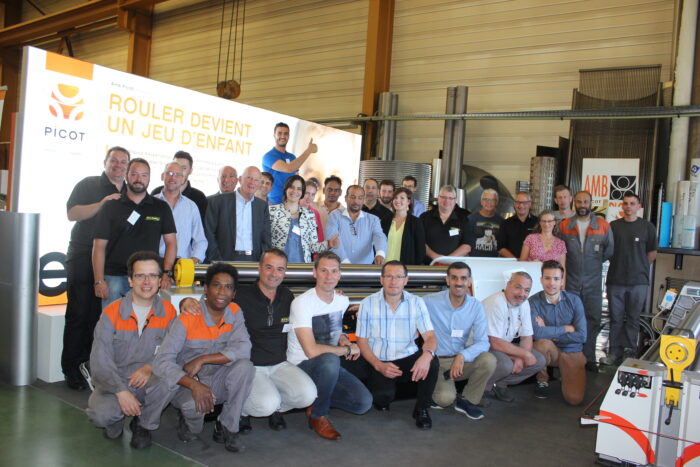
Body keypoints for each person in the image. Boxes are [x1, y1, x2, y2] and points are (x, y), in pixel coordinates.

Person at [145, 263, 255, 453]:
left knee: (245, 366)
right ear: (205, 288)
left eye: (228, 287)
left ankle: (228, 426)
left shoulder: (235, 312)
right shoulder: (188, 317)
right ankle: (151, 424)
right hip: (187, 384)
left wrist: (203, 359)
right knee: (193, 414)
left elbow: (244, 348)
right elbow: (162, 362)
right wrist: (194, 385)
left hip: (217, 379)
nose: (222, 292)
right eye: (216, 285)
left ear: (234, 293)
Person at [86, 251, 178, 446]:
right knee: (101, 415)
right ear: (130, 280)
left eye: (152, 275)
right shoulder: (111, 312)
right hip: (115, 381)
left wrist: (150, 367)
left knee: (171, 379)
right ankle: (115, 422)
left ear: (160, 280)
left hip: (149, 379)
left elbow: (171, 352)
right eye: (140, 275)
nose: (146, 281)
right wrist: (121, 391)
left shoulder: (169, 312)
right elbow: (100, 360)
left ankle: (144, 424)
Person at [62, 146, 129, 391]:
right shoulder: (88, 184)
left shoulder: (129, 192)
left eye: (123, 162)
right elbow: (72, 213)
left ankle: (93, 366)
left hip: (112, 263)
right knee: (79, 313)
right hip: (82, 257)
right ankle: (71, 369)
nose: (118, 165)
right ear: (105, 162)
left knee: (100, 318)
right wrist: (102, 204)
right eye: (114, 160)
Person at [287, 251, 372, 440]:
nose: (329, 276)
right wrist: (347, 349)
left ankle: (315, 401)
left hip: (328, 366)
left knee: (363, 403)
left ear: (339, 274)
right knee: (331, 360)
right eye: (323, 270)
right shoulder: (301, 303)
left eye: (334, 271)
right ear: (314, 273)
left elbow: (334, 330)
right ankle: (319, 415)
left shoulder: (342, 300)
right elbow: (311, 351)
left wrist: (343, 339)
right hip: (302, 364)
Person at [235, 249, 317, 432]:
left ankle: (275, 407)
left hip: (279, 363)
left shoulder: (287, 296)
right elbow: (213, 306)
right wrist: (188, 302)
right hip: (251, 365)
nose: (274, 274)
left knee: (308, 395)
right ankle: (241, 411)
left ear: (285, 272)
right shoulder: (240, 296)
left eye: (280, 269)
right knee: (265, 404)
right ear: (259, 268)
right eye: (269, 267)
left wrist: (335, 297)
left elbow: (313, 308)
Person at [355, 261, 440, 429]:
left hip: (407, 357)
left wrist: (426, 355)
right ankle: (385, 395)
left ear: (406, 280)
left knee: (432, 362)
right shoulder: (367, 304)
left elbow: (430, 336)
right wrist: (378, 365)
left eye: (399, 277)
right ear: (381, 279)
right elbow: (361, 342)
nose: (393, 281)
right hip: (380, 360)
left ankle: (422, 408)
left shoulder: (416, 302)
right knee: (382, 398)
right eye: (389, 276)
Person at [92, 157, 176, 308]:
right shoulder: (110, 206)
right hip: (115, 277)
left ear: (149, 178)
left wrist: (166, 273)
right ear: (126, 175)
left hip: (148, 278)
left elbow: (171, 243)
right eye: (134, 174)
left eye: (144, 175)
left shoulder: (161, 207)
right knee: (113, 321)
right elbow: (99, 246)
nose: (139, 179)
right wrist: (99, 280)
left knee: (145, 321)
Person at [423, 262, 496, 420]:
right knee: (444, 400)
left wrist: (462, 355)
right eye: (454, 278)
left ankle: (467, 401)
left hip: (460, 361)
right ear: (447, 280)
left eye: (463, 278)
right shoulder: (429, 301)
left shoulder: (476, 306)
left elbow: (483, 342)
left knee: (488, 360)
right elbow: (407, 306)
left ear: (469, 281)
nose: (459, 282)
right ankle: (442, 390)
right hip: (437, 362)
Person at [558, 191, 614, 372]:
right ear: (574, 203)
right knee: (569, 318)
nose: (582, 205)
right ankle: (570, 357)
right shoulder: (565, 225)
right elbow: (559, 250)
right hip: (571, 281)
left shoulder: (603, 226)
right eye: (579, 201)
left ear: (591, 203)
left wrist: (593, 264)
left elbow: (609, 251)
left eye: (585, 201)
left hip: (593, 282)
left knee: (592, 319)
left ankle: (589, 358)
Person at [601, 193, 657, 366]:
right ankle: (613, 353)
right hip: (615, 281)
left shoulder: (647, 227)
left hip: (638, 282)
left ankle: (629, 354)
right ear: (622, 206)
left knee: (633, 319)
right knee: (616, 319)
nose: (628, 206)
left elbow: (652, 253)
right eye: (625, 203)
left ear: (639, 206)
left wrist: (638, 266)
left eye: (632, 203)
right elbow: (607, 250)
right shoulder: (613, 226)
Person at [529, 260, 587, 405]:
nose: (551, 283)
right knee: (540, 344)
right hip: (551, 350)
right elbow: (537, 333)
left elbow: (582, 336)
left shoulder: (574, 301)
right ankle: (542, 380)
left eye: (556, 279)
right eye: (547, 278)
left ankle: (566, 374)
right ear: (541, 280)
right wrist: (566, 328)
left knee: (574, 399)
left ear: (562, 281)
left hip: (572, 351)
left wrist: (551, 334)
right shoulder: (533, 302)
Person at [482, 272, 546, 402]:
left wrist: (521, 357)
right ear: (508, 285)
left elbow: (526, 337)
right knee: (506, 364)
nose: (522, 294)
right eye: (518, 287)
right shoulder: (496, 302)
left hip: (502, 346)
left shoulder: (524, 303)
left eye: (526, 290)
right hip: (483, 346)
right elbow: (494, 342)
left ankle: (500, 384)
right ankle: (480, 389)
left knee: (539, 360)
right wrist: (523, 355)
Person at [204, 166, 272, 261]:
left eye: (256, 180)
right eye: (249, 178)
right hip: (224, 259)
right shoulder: (218, 201)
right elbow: (209, 233)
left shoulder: (261, 206)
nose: (252, 182)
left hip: (253, 260)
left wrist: (262, 259)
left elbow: (266, 237)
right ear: (240, 180)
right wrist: (217, 259)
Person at [269, 175, 337, 263]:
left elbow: (313, 246)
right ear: (286, 189)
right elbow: (266, 242)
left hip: (302, 266)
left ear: (302, 192)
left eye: (299, 189)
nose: (295, 191)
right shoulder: (272, 211)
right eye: (292, 187)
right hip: (277, 265)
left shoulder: (309, 215)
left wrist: (328, 244)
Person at [155, 162, 207, 264]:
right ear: (162, 176)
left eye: (177, 174)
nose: (173, 177)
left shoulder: (191, 206)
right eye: (169, 173)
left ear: (183, 179)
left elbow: (200, 240)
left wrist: (193, 262)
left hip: (183, 264)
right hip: (155, 263)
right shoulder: (152, 203)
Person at [325, 185, 387, 265]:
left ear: (363, 200)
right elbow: (333, 241)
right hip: (339, 267)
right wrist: (345, 263)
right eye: (352, 197)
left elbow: (379, 236)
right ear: (346, 198)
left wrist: (380, 253)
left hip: (365, 268)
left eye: (360, 198)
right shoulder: (334, 216)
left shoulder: (373, 219)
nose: (356, 201)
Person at [262, 122, 317, 204]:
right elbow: (289, 168)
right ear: (274, 135)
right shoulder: (269, 156)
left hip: (291, 202)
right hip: (274, 202)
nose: (283, 136)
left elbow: (297, 179)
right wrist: (309, 150)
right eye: (279, 133)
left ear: (289, 136)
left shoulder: (292, 157)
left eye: (286, 133)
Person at [421, 185, 473, 264]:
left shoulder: (463, 220)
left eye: (450, 198)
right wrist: (436, 258)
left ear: (455, 200)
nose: (447, 201)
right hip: (429, 266)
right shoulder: (425, 217)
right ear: (438, 198)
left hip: (455, 266)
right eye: (443, 197)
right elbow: (420, 242)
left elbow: (467, 246)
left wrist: (447, 259)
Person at [151, 150, 207, 223]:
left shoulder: (199, 198)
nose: (178, 170)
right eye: (176, 165)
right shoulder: (156, 193)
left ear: (190, 171)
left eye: (183, 168)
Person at [381, 187, 426, 265]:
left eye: (402, 198)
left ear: (408, 201)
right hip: (384, 266)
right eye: (395, 198)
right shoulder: (385, 220)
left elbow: (420, 251)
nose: (398, 200)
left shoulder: (416, 222)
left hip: (404, 267)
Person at [497, 191, 537, 258]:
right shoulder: (505, 223)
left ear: (530, 204)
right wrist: (516, 260)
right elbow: (501, 247)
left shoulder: (537, 222)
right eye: (518, 202)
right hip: (511, 262)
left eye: (524, 203)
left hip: (532, 262)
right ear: (514, 204)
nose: (521, 205)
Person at [467, 188, 504, 257]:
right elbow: (466, 243)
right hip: (475, 260)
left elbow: (502, 246)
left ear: (496, 203)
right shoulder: (471, 219)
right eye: (485, 199)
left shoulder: (501, 221)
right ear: (481, 202)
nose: (488, 202)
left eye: (492, 200)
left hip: (494, 261)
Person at [300, 177, 324, 243]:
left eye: (313, 194)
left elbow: (320, 236)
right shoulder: (293, 210)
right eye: (307, 193)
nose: (309, 197)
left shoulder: (315, 213)